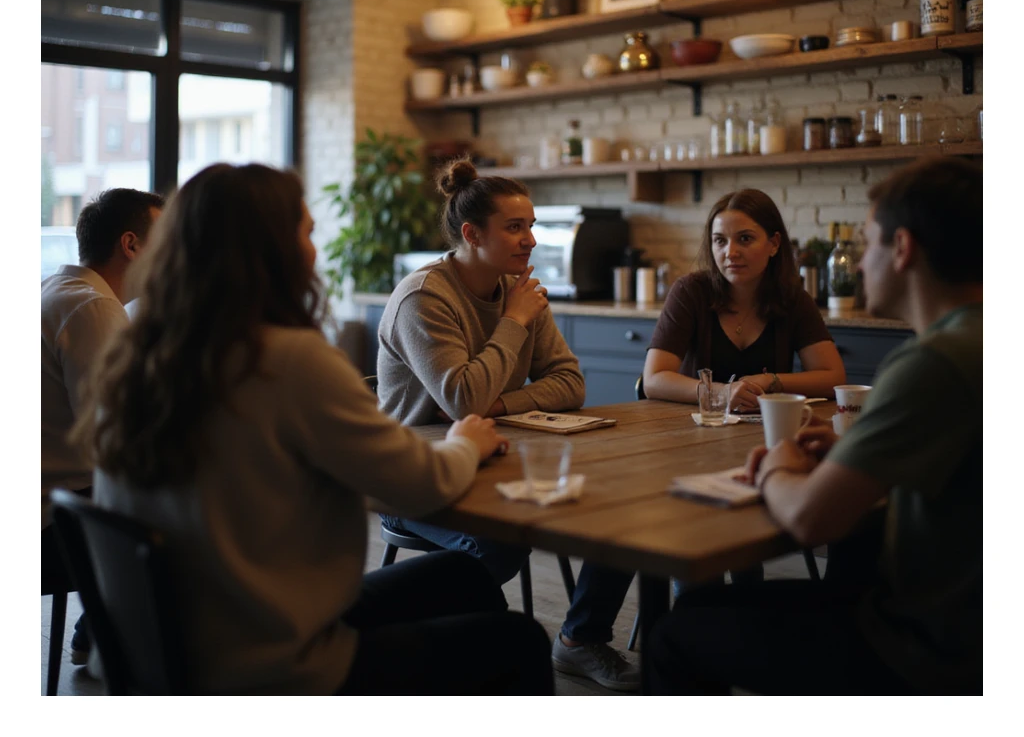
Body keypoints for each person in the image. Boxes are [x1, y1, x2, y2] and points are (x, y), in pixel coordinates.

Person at [70, 163, 553, 696]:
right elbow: (422, 484)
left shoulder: (137, 354)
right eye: (306, 233)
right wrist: (465, 441)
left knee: (460, 577)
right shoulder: (286, 358)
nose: (315, 251)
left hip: (170, 643)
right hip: (264, 663)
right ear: (272, 251)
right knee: (519, 641)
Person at [647, 157, 982, 695]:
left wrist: (779, 463)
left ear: (903, 250)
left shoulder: (933, 363)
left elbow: (808, 518)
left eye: (866, 241)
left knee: (678, 629)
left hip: (930, 646)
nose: (853, 262)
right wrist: (854, 451)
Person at [377, 160, 641, 691]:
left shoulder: (515, 287)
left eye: (533, 226)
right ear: (472, 235)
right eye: (516, 228)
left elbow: (570, 383)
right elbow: (462, 398)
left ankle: (578, 639)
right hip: (416, 475)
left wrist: (497, 406)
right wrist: (514, 322)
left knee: (629, 510)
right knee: (497, 548)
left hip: (498, 456)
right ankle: (474, 665)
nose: (531, 241)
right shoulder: (426, 297)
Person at [643, 187, 846, 584]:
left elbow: (832, 376)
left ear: (773, 244)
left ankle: (731, 615)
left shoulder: (792, 298)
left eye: (744, 239)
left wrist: (769, 380)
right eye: (719, 241)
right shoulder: (692, 292)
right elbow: (654, 379)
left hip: (760, 449)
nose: (730, 252)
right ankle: (700, 620)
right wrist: (720, 393)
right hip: (689, 447)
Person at [42, 186, 164, 671]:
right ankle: (126, 645)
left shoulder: (59, 290)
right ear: (131, 245)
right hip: (54, 523)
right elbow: (116, 440)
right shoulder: (93, 307)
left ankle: (99, 630)